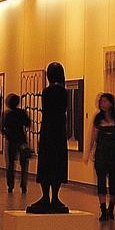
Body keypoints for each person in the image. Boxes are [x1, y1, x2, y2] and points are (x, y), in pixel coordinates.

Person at [84, 92, 115, 221]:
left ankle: (111, 208)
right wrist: (89, 152)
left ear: (111, 103)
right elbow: (93, 138)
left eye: (105, 101)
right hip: (101, 154)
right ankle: (103, 210)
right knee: (101, 181)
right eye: (101, 101)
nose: (103, 104)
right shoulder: (98, 119)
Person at [29, 62, 69, 214]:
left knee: (46, 164)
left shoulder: (47, 92)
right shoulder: (64, 92)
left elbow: (47, 112)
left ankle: (46, 197)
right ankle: (55, 198)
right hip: (59, 133)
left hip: (48, 132)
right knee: (58, 164)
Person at [3, 94, 31, 194]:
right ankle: (23, 185)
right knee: (24, 165)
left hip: (12, 141)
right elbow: (28, 124)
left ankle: (10, 186)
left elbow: (3, 128)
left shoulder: (8, 115)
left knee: (10, 164)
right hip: (22, 141)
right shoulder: (21, 113)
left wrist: (8, 135)